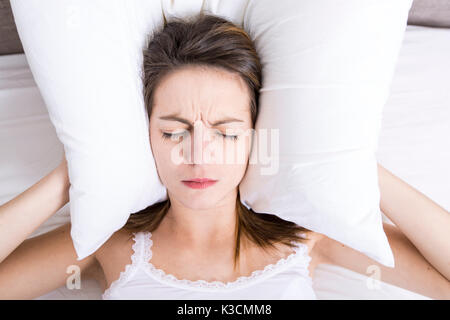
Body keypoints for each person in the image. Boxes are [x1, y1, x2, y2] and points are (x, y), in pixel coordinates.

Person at [0, 13, 449, 300]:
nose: (199, 155)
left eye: (226, 133)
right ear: (146, 137)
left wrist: (349, 164)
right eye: (174, 131)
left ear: (257, 135)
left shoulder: (306, 238)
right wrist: (73, 176)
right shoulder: (110, 243)